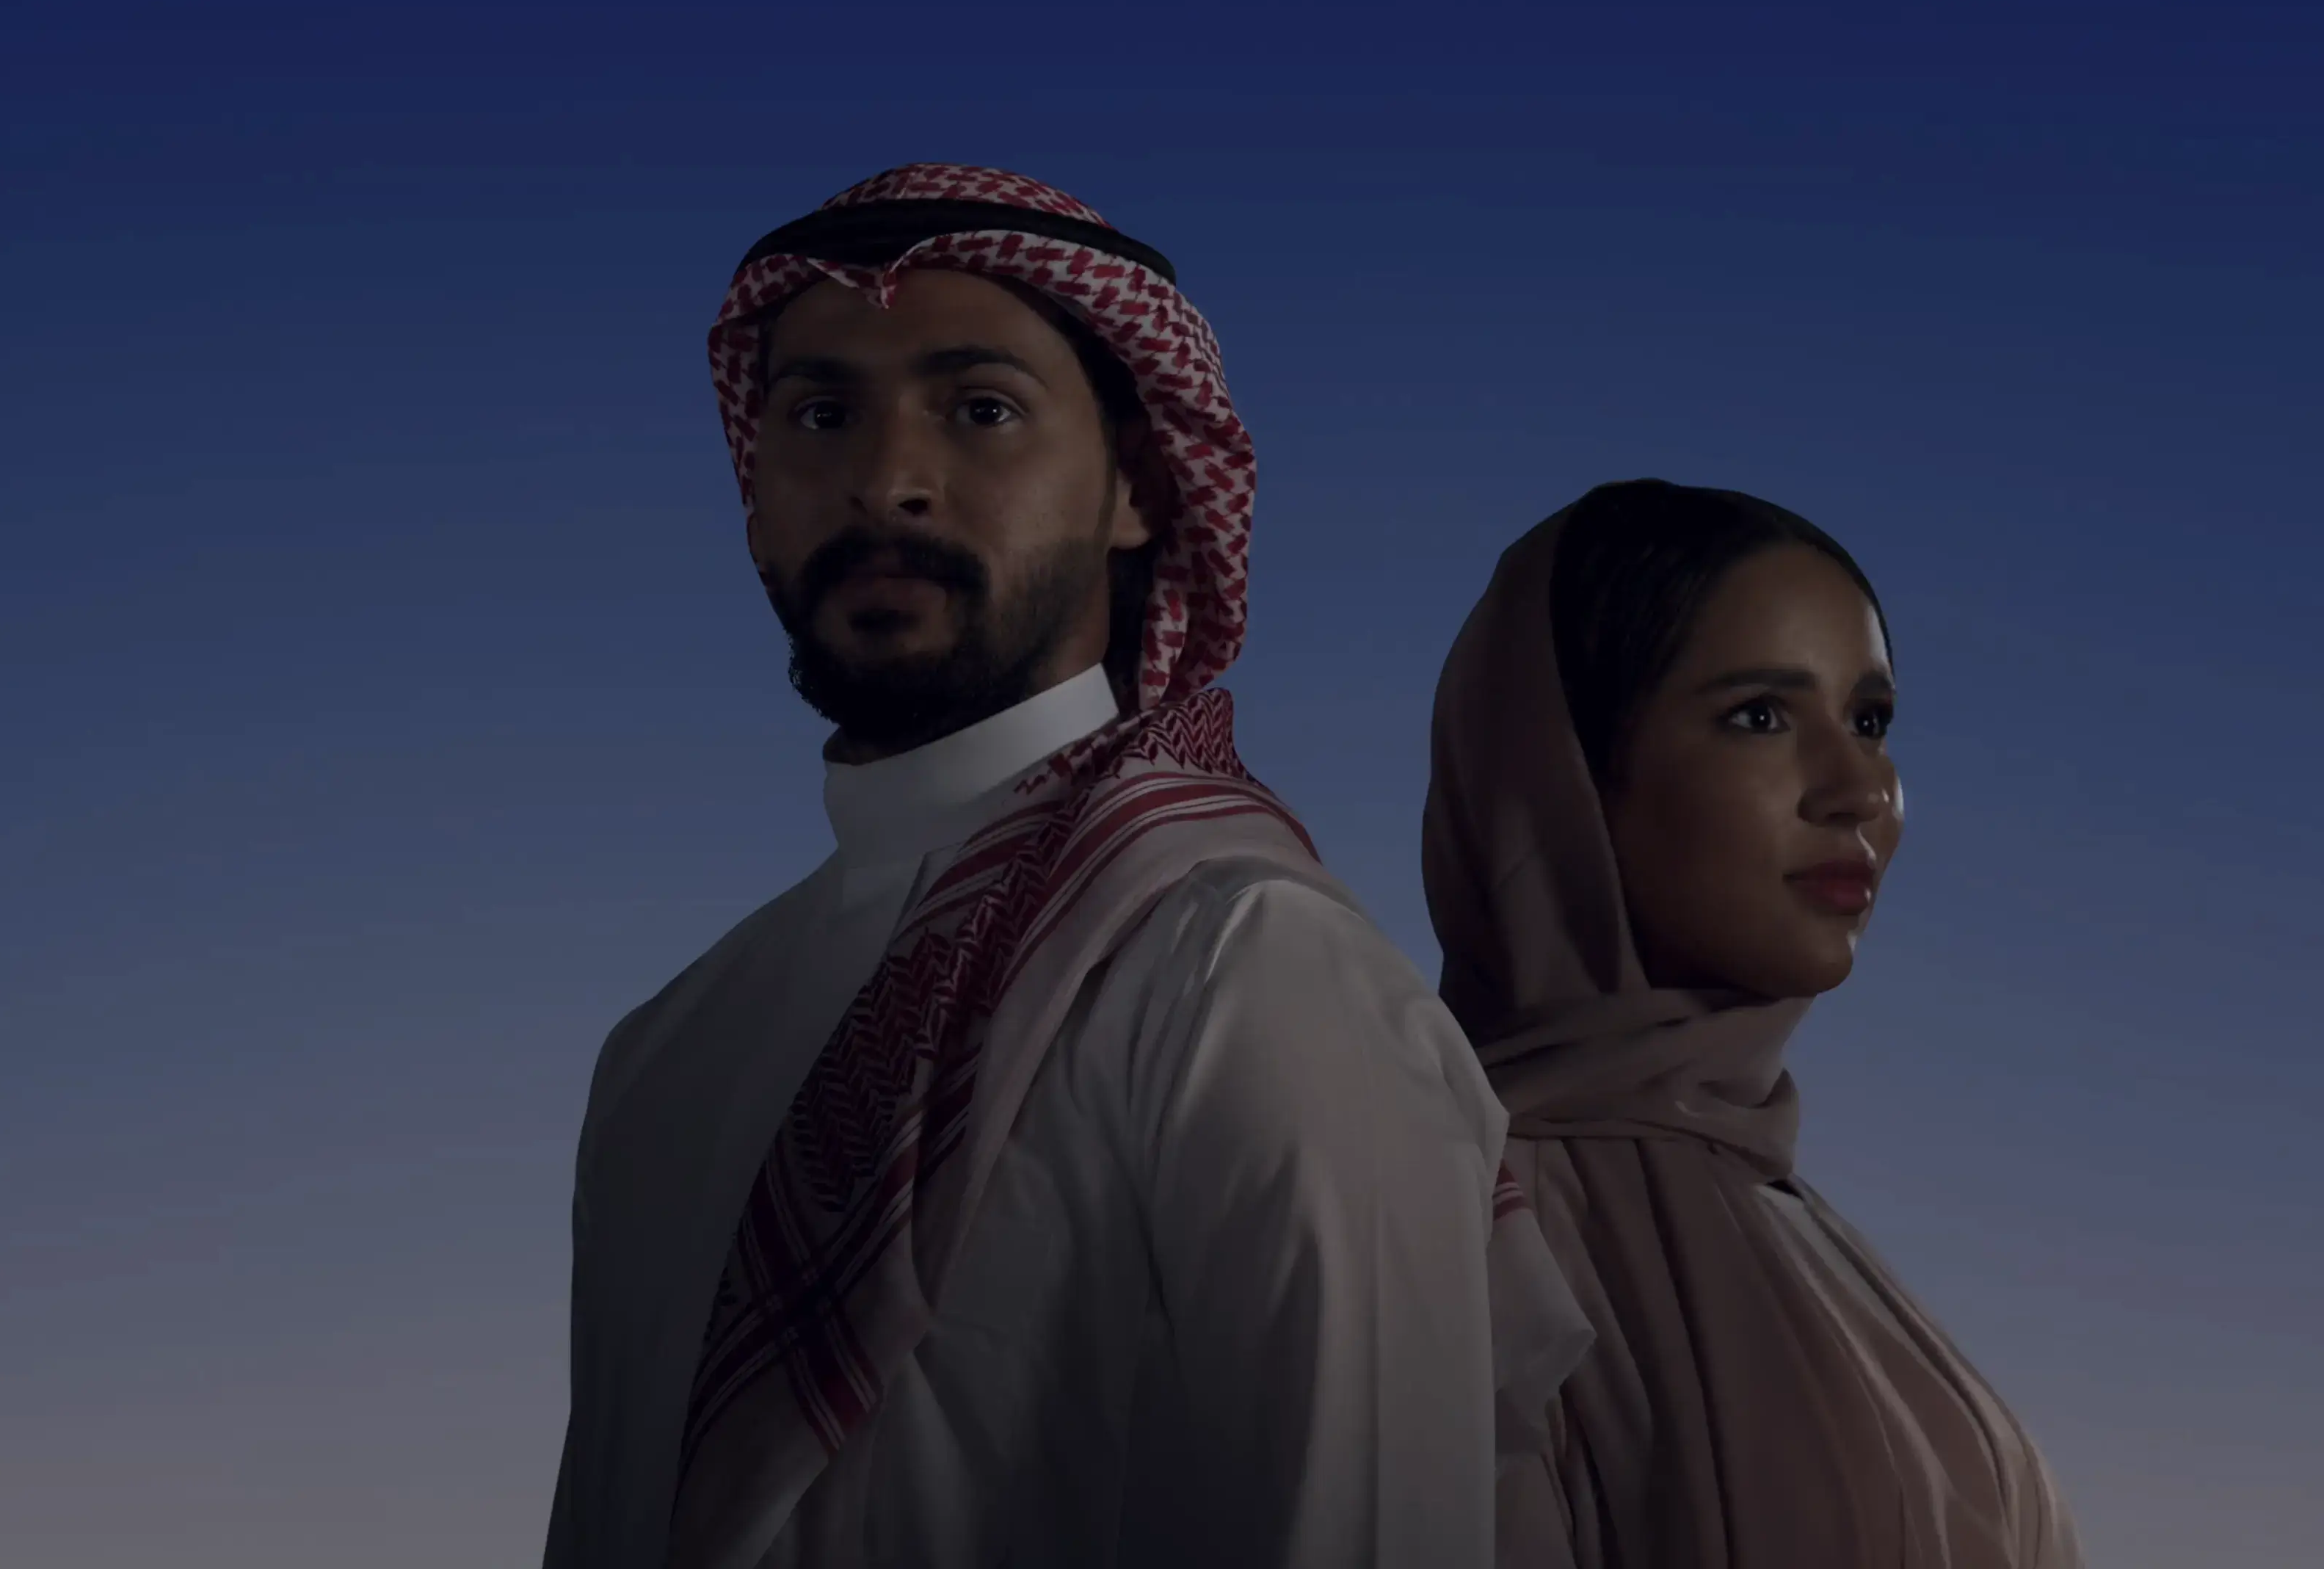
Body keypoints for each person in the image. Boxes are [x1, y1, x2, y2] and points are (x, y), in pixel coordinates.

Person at [542, 163, 1586, 1569]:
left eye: (981, 410)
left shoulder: (1241, 968)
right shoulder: (661, 1059)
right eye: (822, 415)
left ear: (1138, 491)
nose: (887, 481)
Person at [1422, 479, 2082, 1568]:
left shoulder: (1795, 1225)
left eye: (1870, 721)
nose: (1860, 789)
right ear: (1563, 774)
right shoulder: (1444, 1231)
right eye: (1761, 717)